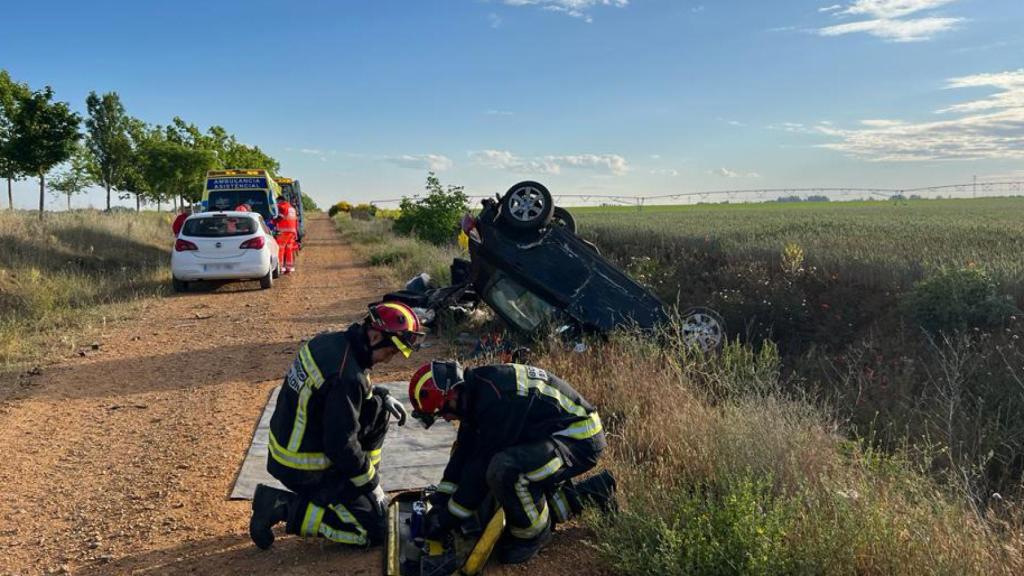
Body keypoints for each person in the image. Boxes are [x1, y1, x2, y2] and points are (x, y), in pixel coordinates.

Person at [249, 302, 426, 550]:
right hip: (302, 466)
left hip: (296, 442)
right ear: (375, 336)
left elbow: (338, 395)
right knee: (374, 531)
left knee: (376, 407)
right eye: (391, 351)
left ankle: (362, 488)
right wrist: (372, 485)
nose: (390, 359)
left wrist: (381, 395)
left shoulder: (333, 343)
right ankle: (281, 506)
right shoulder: (346, 375)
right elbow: (340, 445)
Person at [408, 361, 607, 564]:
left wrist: (446, 520)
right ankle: (597, 491)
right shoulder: (476, 392)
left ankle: (533, 536)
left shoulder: (496, 398)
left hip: (579, 439)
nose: (447, 418)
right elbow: (464, 453)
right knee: (486, 466)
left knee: (505, 470)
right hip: (550, 434)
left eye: (443, 411)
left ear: (452, 394)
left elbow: (480, 469)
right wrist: (441, 500)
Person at [272, 195, 299, 274]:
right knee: (289, 249)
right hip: (292, 232)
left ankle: (280, 268)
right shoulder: (292, 208)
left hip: (284, 231)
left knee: (280, 248)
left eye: (277, 201)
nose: (277, 203)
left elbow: (280, 217)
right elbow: (295, 220)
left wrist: (272, 222)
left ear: (280, 201)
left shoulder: (282, 207)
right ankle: (289, 267)